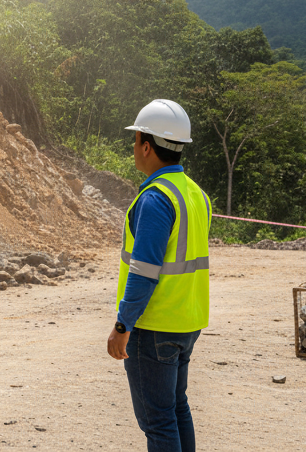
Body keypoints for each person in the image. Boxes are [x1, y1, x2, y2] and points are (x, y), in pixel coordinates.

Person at [107, 99, 211, 452]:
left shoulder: (156, 198)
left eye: (135, 140)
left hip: (154, 326)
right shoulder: (195, 195)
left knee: (158, 422)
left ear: (146, 145)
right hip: (187, 321)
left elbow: (144, 271)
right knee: (175, 410)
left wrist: (123, 325)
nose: (134, 148)